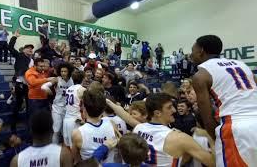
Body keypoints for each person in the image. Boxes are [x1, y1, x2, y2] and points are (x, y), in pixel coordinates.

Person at [191, 35, 257, 166]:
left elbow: (207, 119)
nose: (191, 55)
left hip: (236, 127)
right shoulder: (243, 65)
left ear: (201, 51)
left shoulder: (201, 74)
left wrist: (218, 140)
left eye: (193, 50)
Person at [106, 93, 216, 167]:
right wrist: (209, 134)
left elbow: (125, 115)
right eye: (169, 107)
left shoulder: (139, 128)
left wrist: (109, 102)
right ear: (157, 113)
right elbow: (213, 162)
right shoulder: (179, 138)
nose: (174, 110)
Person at [72, 90, 118, 164]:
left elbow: (76, 159)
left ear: (84, 108)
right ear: (103, 109)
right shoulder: (111, 123)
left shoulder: (77, 133)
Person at [7, 29, 34, 133]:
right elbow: (10, 47)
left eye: (31, 49)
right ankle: (13, 126)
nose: (30, 50)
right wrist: (14, 37)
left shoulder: (32, 60)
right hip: (20, 84)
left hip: (28, 85)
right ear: (24, 50)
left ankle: (28, 125)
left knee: (28, 105)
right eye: (28, 48)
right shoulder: (19, 55)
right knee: (18, 104)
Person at [41, 62, 74, 143]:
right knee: (56, 130)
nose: (63, 73)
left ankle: (66, 148)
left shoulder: (73, 79)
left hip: (68, 108)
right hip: (57, 107)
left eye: (65, 71)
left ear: (69, 71)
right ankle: (54, 148)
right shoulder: (57, 79)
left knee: (66, 131)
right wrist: (49, 91)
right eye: (61, 71)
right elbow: (43, 86)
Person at [62, 70, 85, 147]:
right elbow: (86, 106)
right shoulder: (82, 89)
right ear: (83, 78)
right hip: (76, 120)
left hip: (66, 120)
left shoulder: (68, 89)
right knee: (77, 147)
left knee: (68, 146)